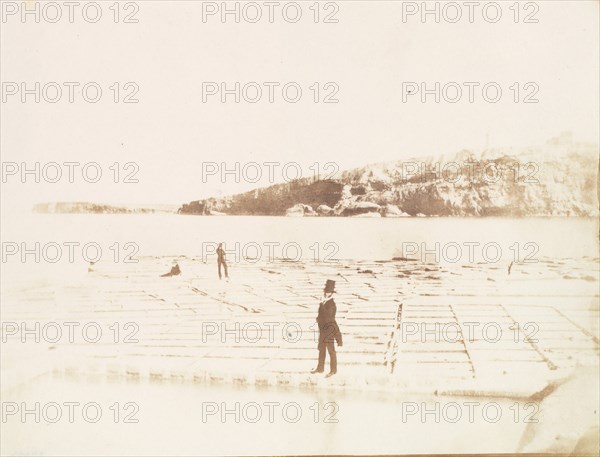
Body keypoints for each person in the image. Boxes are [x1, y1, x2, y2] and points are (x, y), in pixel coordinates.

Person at [311, 279, 342, 377]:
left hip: (329, 330)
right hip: (323, 330)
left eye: (329, 292)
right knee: (322, 350)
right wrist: (318, 318)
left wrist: (321, 305)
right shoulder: (324, 302)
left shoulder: (332, 304)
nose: (327, 293)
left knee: (331, 351)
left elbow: (328, 317)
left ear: (332, 293)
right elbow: (321, 314)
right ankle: (320, 368)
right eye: (326, 291)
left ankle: (333, 370)